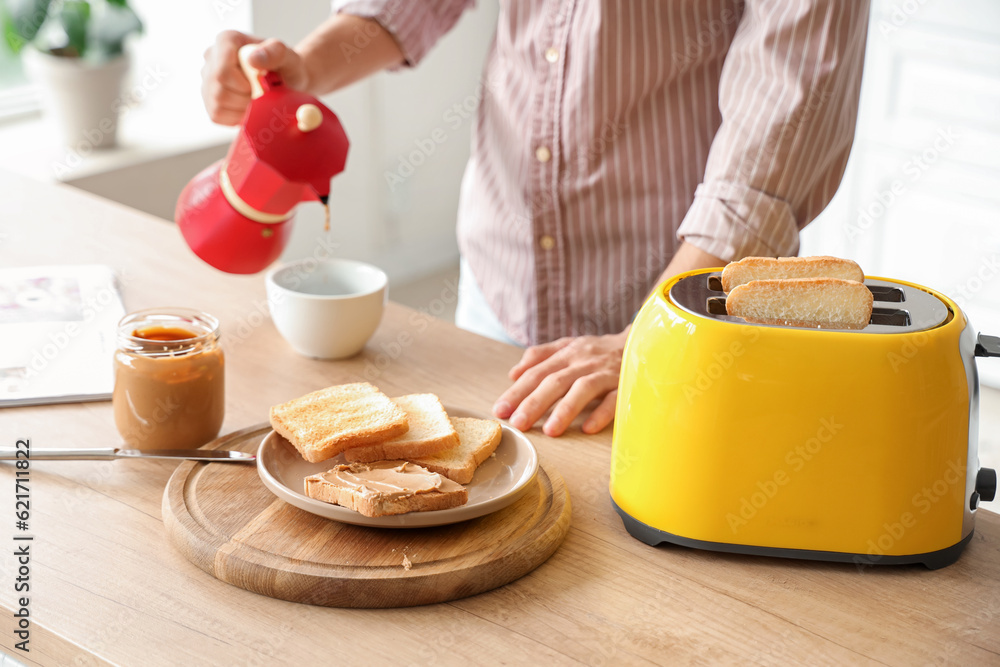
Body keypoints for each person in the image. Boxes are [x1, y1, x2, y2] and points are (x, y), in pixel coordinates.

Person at [202, 1, 870, 437]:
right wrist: (307, 66)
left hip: (680, 316)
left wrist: (656, 332)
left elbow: (788, 101)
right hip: (501, 288)